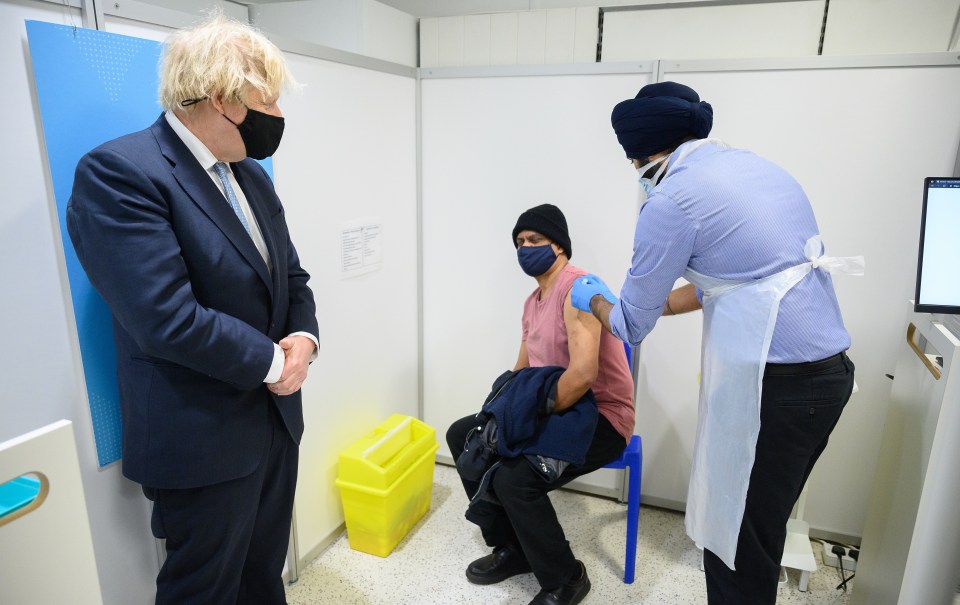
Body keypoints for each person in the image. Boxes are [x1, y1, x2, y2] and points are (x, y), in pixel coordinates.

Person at [571, 82, 861, 604]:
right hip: (829, 377)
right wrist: (652, 300)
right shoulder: (753, 168)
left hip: (780, 391)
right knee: (760, 530)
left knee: (737, 542)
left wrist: (593, 299)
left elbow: (630, 327)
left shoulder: (672, 200)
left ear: (639, 153)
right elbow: (730, 283)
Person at [66, 16, 318, 605]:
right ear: (223, 100)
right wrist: (273, 365)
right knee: (202, 589)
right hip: (200, 437)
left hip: (275, 428)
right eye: (268, 99)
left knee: (263, 577)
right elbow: (165, 317)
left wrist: (304, 339)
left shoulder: (250, 178)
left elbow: (291, 278)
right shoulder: (122, 174)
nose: (276, 114)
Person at [447, 204, 635, 605]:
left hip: (601, 415)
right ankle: (513, 549)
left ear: (560, 246)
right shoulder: (532, 302)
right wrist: (499, 416)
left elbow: (583, 374)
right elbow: (521, 371)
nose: (525, 248)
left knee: (515, 479)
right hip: (561, 409)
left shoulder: (579, 288)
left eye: (535, 240)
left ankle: (567, 578)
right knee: (467, 437)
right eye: (519, 243)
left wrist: (528, 418)